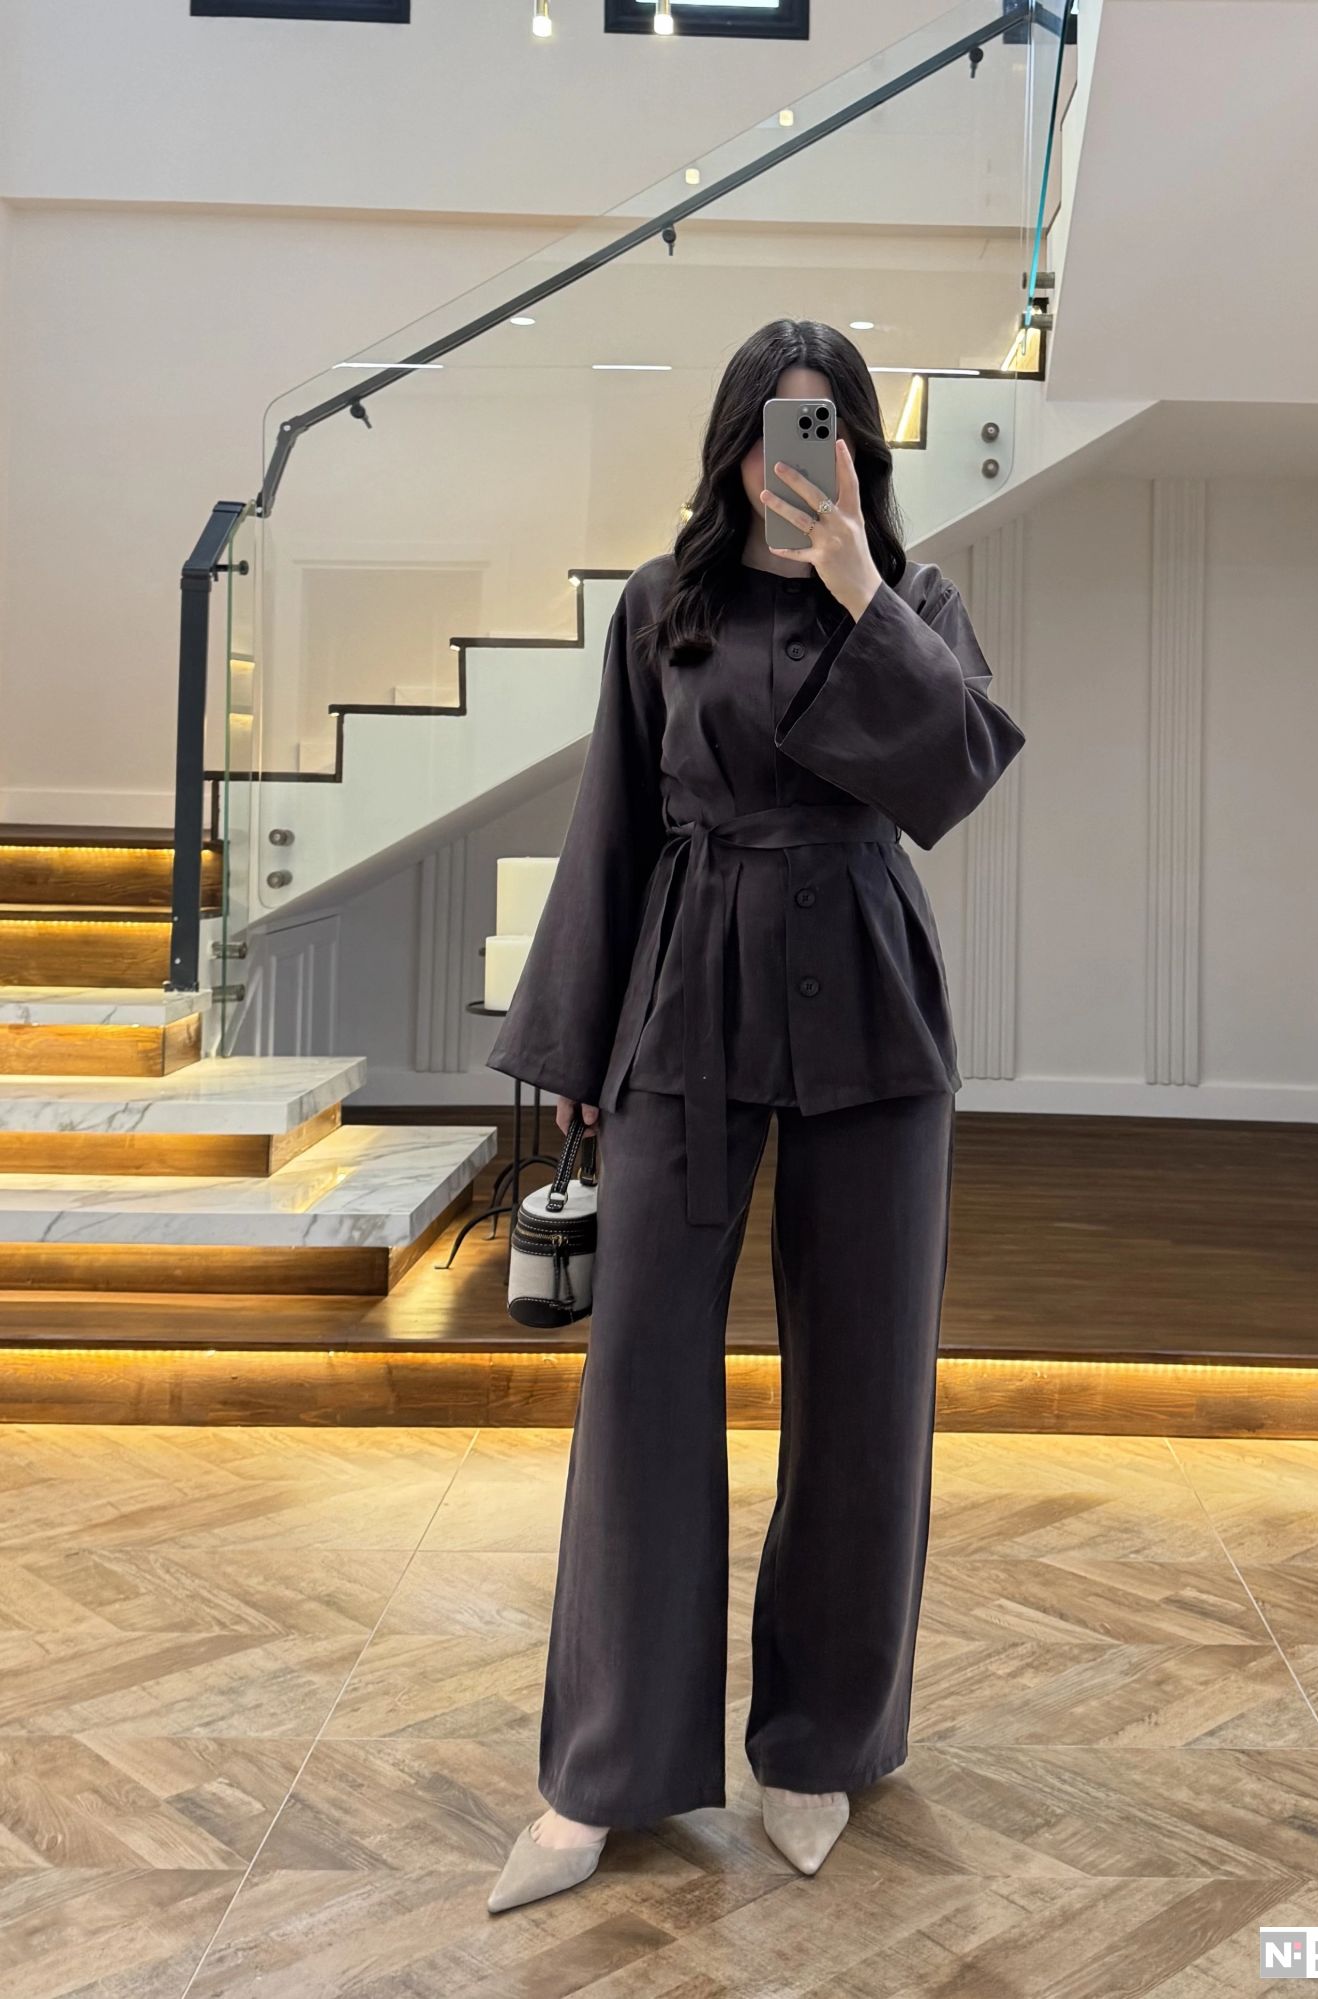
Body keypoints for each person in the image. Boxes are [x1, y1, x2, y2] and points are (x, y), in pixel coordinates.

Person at [483, 318, 1025, 1912]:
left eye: (827, 423)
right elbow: (613, 821)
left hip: (869, 988)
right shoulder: (665, 604)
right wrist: (580, 1035)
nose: (802, 451)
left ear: (859, 447)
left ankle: (818, 1746)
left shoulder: (915, 599)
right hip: (688, 993)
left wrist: (858, 586)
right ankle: (604, 1770)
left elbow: (956, 769)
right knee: (642, 1375)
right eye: (777, 425)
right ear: (731, 447)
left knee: (864, 1384)